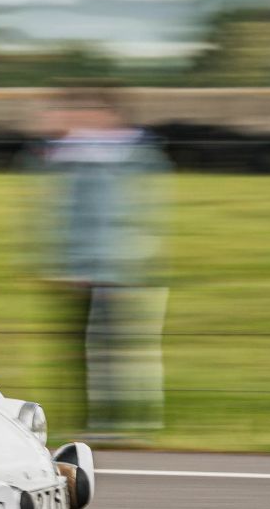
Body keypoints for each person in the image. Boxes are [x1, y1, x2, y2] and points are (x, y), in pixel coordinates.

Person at [32, 84, 170, 440]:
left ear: (110, 114)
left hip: (112, 268)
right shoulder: (77, 153)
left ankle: (118, 422)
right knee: (84, 348)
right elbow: (60, 214)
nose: (84, 118)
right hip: (86, 268)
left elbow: (119, 216)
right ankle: (97, 421)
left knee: (114, 347)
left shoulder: (122, 155)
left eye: (92, 111)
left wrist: (114, 266)